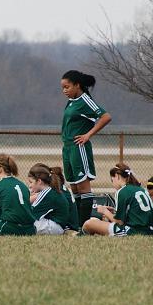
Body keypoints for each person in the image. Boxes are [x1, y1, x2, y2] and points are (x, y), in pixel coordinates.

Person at [60, 70, 112, 226]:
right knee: (74, 187)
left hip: (78, 148)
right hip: (67, 148)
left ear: (77, 85)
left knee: (83, 186)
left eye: (67, 87)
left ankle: (84, 226)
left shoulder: (85, 100)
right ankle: (77, 224)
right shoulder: (71, 101)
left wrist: (88, 135)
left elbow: (106, 117)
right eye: (62, 87)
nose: (64, 91)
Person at [82, 163, 153, 237]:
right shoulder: (141, 189)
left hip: (132, 232)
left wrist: (104, 211)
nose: (113, 183)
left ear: (117, 176)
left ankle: (82, 235)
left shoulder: (122, 191)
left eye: (112, 180)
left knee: (90, 223)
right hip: (151, 231)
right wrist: (114, 211)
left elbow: (119, 222)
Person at [27, 164, 73, 235]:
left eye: (31, 182)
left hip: (55, 227)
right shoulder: (49, 190)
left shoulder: (47, 193)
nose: (29, 185)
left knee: (25, 224)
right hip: (58, 226)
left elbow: (30, 213)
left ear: (39, 181)